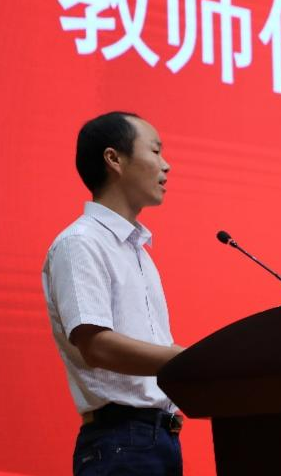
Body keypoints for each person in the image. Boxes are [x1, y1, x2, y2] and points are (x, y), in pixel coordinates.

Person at [42, 111, 185, 475]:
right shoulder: (81, 242)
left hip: (161, 439)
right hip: (120, 443)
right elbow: (97, 346)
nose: (166, 165)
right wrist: (186, 360)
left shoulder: (138, 251)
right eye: (155, 151)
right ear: (114, 159)